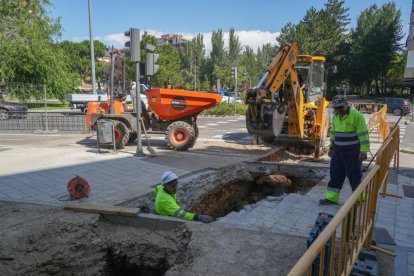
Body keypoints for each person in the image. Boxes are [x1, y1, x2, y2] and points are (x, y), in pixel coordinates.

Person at [319, 95, 370, 205]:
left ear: (346, 105)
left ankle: (359, 199)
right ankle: (332, 198)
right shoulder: (336, 116)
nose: (338, 111)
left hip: (352, 152)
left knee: (354, 176)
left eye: (340, 108)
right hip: (338, 151)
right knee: (335, 174)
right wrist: (331, 147)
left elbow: (363, 135)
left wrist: (364, 151)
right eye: (336, 108)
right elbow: (333, 132)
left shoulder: (357, 116)